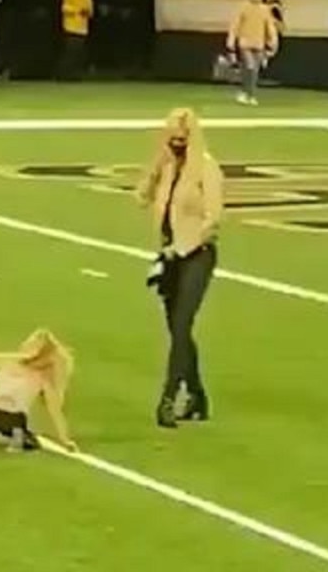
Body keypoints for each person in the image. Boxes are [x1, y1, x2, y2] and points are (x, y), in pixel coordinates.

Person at [136, 107, 224, 428]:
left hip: (196, 255)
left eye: (181, 140)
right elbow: (141, 197)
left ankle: (168, 399)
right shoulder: (169, 168)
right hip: (170, 256)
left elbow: (213, 217)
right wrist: (155, 168)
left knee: (183, 324)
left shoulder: (206, 169)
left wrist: (185, 244)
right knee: (177, 330)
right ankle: (198, 395)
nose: (176, 145)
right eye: (171, 139)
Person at [0, 328, 79, 453]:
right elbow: (55, 413)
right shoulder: (16, 365)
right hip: (2, 417)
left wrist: (65, 439)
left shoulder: (15, 364)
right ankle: (2, 438)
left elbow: (55, 413)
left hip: (2, 416)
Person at [225, 0, 279, 106]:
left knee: (254, 70)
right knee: (250, 67)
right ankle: (246, 93)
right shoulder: (243, 8)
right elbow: (235, 25)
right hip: (245, 43)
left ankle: (250, 94)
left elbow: (270, 27)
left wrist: (273, 41)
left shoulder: (265, 10)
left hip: (259, 44)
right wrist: (231, 41)